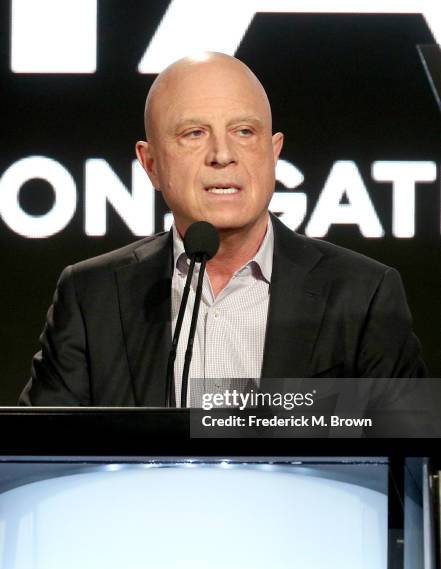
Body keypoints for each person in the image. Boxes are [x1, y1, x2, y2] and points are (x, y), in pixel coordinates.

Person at [19, 52, 426, 407]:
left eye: (244, 132)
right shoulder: (92, 296)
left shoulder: (364, 294)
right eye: (194, 133)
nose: (222, 155)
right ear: (151, 163)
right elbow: (43, 457)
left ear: (273, 151)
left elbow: (404, 466)